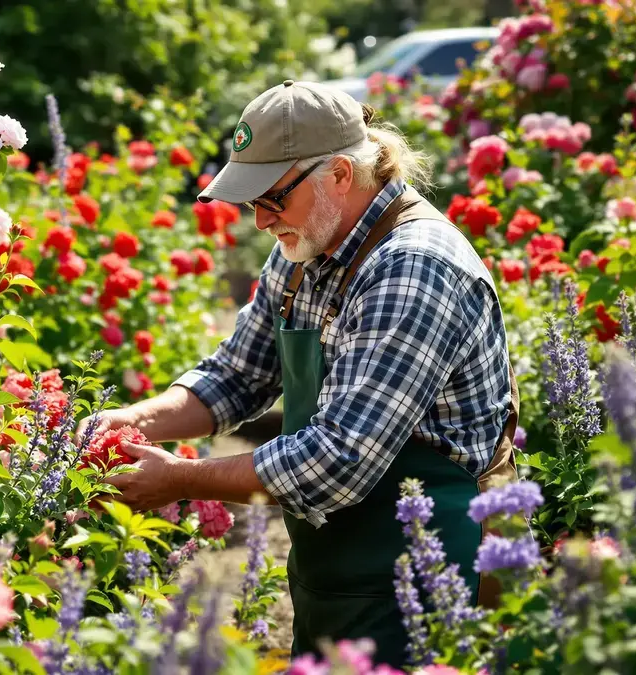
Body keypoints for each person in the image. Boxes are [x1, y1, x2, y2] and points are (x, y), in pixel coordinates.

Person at [77, 79, 519, 665]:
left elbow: (338, 460)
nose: (260, 221)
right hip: (335, 571)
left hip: (431, 571)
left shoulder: (413, 268)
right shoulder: (306, 245)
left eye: (272, 198)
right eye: (250, 201)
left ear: (339, 173)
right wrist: (132, 422)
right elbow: (237, 376)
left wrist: (182, 479)